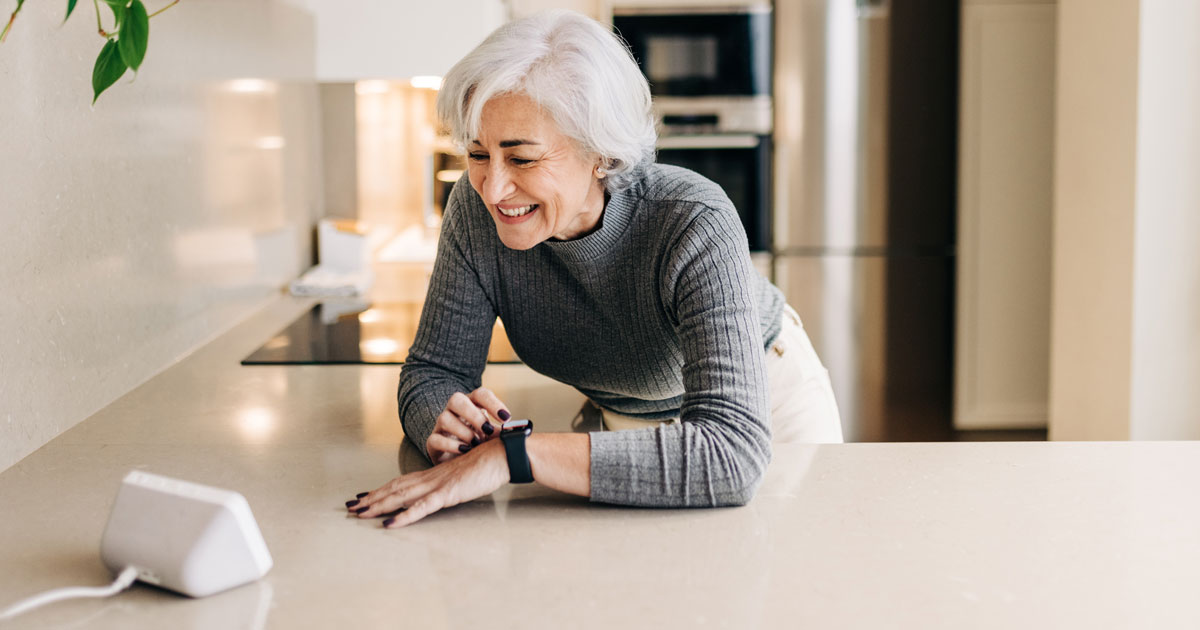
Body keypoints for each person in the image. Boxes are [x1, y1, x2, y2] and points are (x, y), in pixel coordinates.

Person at [345, 9, 842, 528]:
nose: (492, 189)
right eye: (477, 154)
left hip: (767, 411)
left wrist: (514, 454)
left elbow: (731, 455)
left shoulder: (692, 219)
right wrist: (441, 419)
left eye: (521, 159)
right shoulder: (474, 215)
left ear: (599, 154)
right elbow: (433, 371)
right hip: (624, 421)